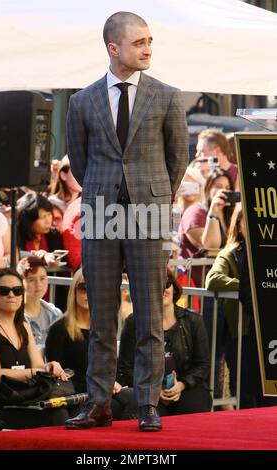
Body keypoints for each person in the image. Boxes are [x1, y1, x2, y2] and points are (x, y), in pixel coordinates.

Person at [66, 11, 188, 431]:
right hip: (100, 211)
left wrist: (152, 195)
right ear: (113, 48)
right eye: (139, 43)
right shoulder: (82, 101)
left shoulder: (168, 96)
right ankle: (98, 402)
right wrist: (103, 189)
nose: (148, 49)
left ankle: (147, 404)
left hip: (148, 212)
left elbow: (178, 159)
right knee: (101, 315)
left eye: (150, 41)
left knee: (150, 315)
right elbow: (80, 163)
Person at [0, 268, 70, 429]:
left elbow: (39, 365)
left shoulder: (24, 327)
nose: (11, 295)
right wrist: (34, 372)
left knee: (68, 409)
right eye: (4, 291)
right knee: (57, 416)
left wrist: (50, 366)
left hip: (24, 396)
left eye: (17, 290)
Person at [205, 204, 277, 408]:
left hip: (269, 333)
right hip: (243, 335)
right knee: (246, 394)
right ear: (238, 225)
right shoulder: (229, 254)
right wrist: (251, 285)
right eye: (248, 221)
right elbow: (213, 279)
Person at [46, 268, 138, 420]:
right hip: (78, 395)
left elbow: (111, 365)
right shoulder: (59, 328)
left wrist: (112, 383)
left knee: (141, 398)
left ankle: (125, 443)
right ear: (74, 291)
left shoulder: (105, 326)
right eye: (83, 288)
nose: (89, 293)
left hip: (105, 391)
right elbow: (58, 375)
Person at [117, 273, 212, 416]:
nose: (162, 289)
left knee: (194, 406)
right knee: (144, 413)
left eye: (166, 284)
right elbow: (125, 367)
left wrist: (181, 385)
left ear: (174, 288)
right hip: (147, 390)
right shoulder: (134, 323)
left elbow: (202, 365)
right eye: (155, 285)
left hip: (187, 388)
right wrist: (153, 389)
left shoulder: (193, 321)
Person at [17, 256, 63, 356]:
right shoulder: (16, 316)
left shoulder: (55, 313)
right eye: (31, 280)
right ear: (21, 282)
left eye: (42, 278)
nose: (39, 284)